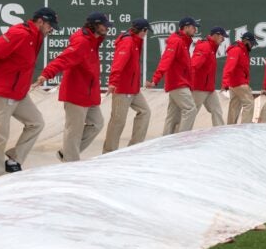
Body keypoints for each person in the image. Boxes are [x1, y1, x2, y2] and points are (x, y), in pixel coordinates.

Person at [0, 7, 57, 177]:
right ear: (40, 21)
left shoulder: (35, 37)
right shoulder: (21, 34)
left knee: (36, 123)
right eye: (50, 25)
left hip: (18, 92)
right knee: (0, 137)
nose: (51, 29)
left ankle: (13, 160)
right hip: (2, 92)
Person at [32, 12, 111, 162]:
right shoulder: (82, 43)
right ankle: (70, 161)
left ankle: (66, 153)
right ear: (94, 25)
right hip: (76, 93)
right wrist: (46, 74)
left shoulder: (93, 41)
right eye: (104, 25)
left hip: (89, 93)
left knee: (97, 123)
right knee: (74, 130)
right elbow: (62, 60)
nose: (107, 28)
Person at [102, 18, 151, 154]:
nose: (146, 35)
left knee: (145, 112)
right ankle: (108, 153)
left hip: (133, 89)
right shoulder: (127, 41)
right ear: (142, 30)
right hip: (122, 88)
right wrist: (113, 82)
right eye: (146, 32)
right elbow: (118, 63)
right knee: (118, 121)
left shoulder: (135, 41)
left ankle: (134, 148)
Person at [145, 17, 199, 135]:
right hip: (178, 83)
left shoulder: (183, 41)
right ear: (186, 27)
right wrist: (155, 79)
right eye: (193, 27)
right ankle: (182, 141)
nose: (195, 30)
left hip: (179, 82)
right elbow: (166, 60)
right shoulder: (177, 41)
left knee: (173, 117)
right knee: (190, 110)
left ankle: (165, 143)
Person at [190, 27, 227, 126]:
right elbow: (194, 65)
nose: (223, 40)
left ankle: (220, 134)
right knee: (191, 113)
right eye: (222, 37)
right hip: (199, 87)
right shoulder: (205, 47)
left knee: (217, 110)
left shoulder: (211, 47)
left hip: (209, 88)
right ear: (216, 35)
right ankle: (179, 136)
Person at [223, 32, 258, 124]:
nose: (253, 46)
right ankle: (245, 126)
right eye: (252, 43)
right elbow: (229, 67)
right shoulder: (237, 50)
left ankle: (230, 127)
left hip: (235, 83)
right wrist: (225, 82)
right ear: (246, 41)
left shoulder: (242, 50)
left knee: (234, 105)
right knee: (249, 103)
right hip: (239, 83)